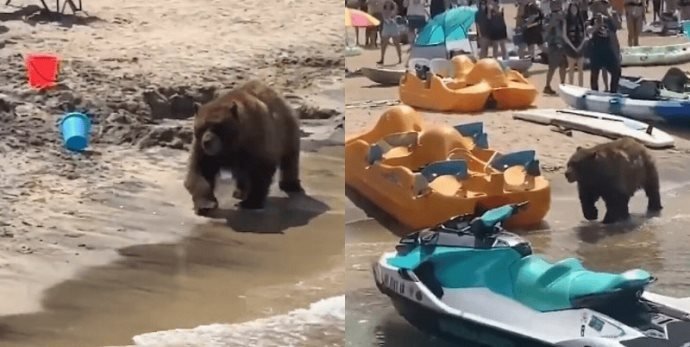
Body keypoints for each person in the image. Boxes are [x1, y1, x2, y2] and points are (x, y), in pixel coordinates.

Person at [587, 0, 622, 92]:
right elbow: (588, 31)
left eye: (601, 4)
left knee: (616, 72)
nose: (599, 7)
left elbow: (618, 26)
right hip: (596, 50)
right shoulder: (591, 19)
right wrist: (596, 26)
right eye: (596, 5)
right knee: (594, 74)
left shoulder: (610, 18)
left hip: (609, 50)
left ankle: (613, 92)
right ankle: (595, 93)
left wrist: (610, 15)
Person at [543, 0, 567, 95]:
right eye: (554, 4)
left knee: (563, 65)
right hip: (553, 44)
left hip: (563, 43)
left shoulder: (563, 15)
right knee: (552, 67)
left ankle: (563, 85)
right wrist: (553, 21)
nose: (556, 5)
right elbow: (545, 28)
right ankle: (547, 86)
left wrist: (562, 19)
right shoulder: (548, 16)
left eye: (558, 3)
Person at [563, 1, 586, 86]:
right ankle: (571, 86)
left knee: (580, 69)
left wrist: (581, 45)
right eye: (572, 8)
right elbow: (564, 35)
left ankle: (581, 86)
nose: (574, 9)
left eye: (575, 8)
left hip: (580, 45)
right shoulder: (566, 20)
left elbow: (584, 33)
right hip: (570, 46)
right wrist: (572, 46)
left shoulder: (580, 19)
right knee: (571, 68)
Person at [377, 0, 403, 65]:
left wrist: (390, 18)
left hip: (393, 26)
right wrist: (387, 19)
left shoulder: (394, 5)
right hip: (386, 26)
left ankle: (400, 59)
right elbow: (383, 14)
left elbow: (394, 13)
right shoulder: (383, 5)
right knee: (384, 44)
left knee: (397, 43)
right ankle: (382, 59)